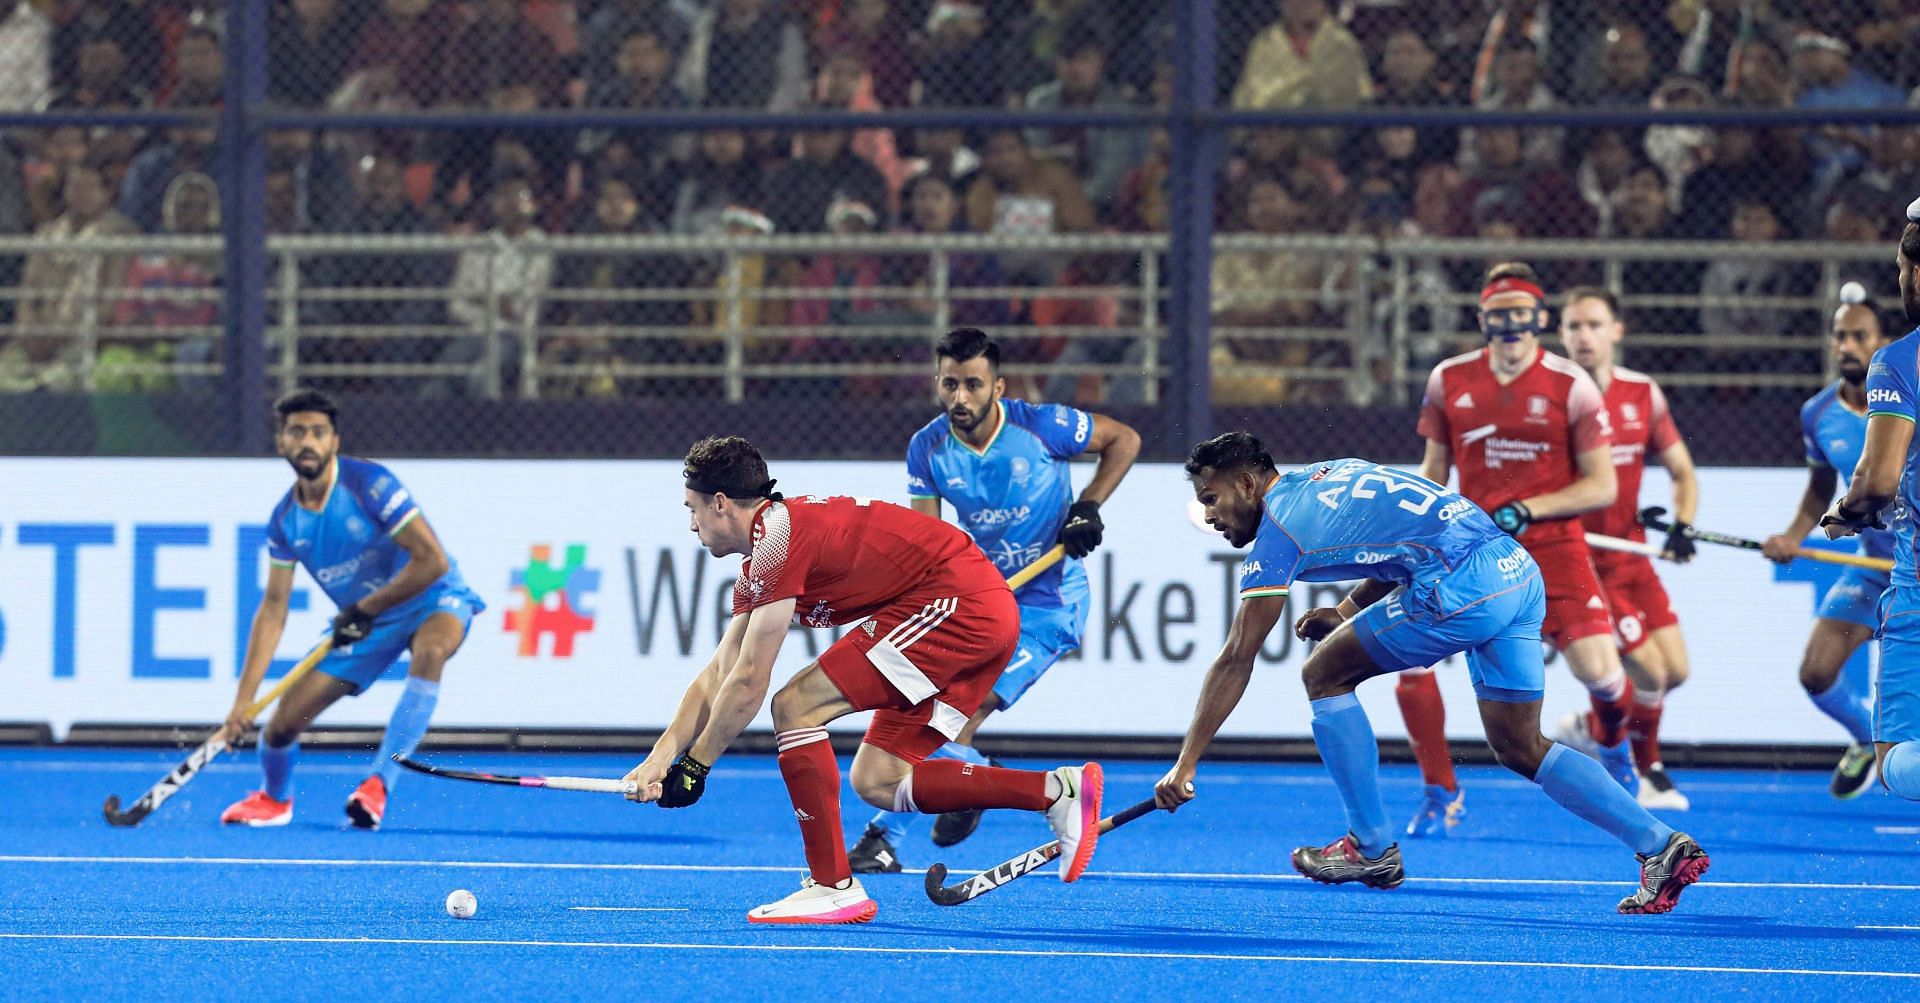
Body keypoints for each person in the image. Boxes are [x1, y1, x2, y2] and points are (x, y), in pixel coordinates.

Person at [1155, 433, 1709, 915]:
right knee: (1520, 744)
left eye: (1211, 499)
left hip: (1461, 586)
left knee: (1324, 673)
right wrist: (1345, 614)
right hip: (1514, 570)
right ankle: (1660, 844)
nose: (1208, 515)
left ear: (1249, 485)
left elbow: (1236, 657)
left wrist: (1185, 764)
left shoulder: (1278, 531)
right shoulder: (1332, 473)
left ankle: (1371, 848)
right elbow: (1396, 547)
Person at [622, 436, 1106, 924]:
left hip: (959, 605)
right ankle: (1056, 792)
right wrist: (660, 760)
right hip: (974, 611)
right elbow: (720, 673)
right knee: (879, 780)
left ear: (720, 503)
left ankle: (833, 885)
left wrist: (697, 766)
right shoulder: (763, 554)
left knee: (795, 706)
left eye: (692, 508)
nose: (691, 523)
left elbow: (749, 682)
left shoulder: (776, 545)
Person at [848, 328, 1140, 872]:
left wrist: (1088, 506)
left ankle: (887, 834)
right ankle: (965, 781)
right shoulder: (928, 448)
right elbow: (927, 543)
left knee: (958, 715)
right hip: (981, 607)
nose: (961, 397)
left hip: (1049, 606)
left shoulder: (1042, 426)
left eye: (973, 385)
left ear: (998, 387)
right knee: (928, 714)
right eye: (950, 384)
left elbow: (1125, 439)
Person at [1396, 262, 1641, 839]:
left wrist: (1534, 508)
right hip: (1470, 549)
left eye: (1520, 317)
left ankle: (1614, 743)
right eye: (1498, 317)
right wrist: (1416, 534)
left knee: (1604, 677)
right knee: (1410, 665)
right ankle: (1440, 791)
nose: (1510, 330)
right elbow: (1433, 473)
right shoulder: (1448, 379)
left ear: (1540, 320)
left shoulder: (1570, 385)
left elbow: (1601, 485)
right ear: (1482, 320)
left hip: (1554, 548)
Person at [217, 388, 485, 829]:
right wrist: (243, 702)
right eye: (297, 432)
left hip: (434, 597)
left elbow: (431, 560)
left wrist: (364, 607)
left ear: (334, 442)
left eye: (318, 433)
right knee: (281, 725)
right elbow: (273, 609)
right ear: (281, 442)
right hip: (366, 622)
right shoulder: (285, 521)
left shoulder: (369, 484)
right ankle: (274, 799)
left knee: (432, 650)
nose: (308, 442)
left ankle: (379, 784)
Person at [1558, 287, 1700, 811]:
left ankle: (1594, 725)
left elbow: (1683, 472)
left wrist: (1682, 525)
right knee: (1650, 673)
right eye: (1574, 327)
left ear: (1617, 330)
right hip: (1582, 560)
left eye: (1594, 325)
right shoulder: (1554, 397)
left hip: (1633, 557)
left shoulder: (1643, 393)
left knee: (1676, 672)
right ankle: (1648, 771)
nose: (1583, 336)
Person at [1763, 291, 1897, 798]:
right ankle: (1863, 739)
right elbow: (1820, 489)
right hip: (1873, 568)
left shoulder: (1911, 397)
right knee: (1816, 673)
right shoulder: (1817, 413)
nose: (1846, 346)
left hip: (1917, 567)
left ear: (1884, 343)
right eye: (1839, 335)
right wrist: (1792, 537)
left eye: (1859, 336)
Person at [1821, 199, 1920, 806]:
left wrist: (1849, 512)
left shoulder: (1901, 359)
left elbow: (1877, 480)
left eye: (1902, 268)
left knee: (1895, 760)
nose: (1902, 281)